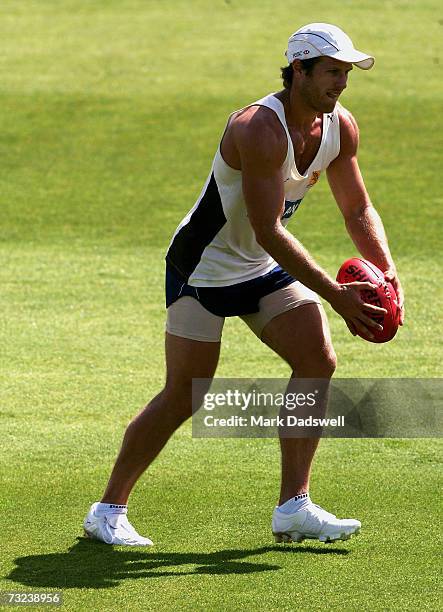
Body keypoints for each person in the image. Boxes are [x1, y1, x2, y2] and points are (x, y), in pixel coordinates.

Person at [83, 23, 404, 546]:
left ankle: (293, 507)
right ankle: (107, 509)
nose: (341, 83)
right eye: (331, 71)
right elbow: (268, 227)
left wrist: (386, 270)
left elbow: (357, 206)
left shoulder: (339, 127)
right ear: (298, 69)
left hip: (259, 267)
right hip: (203, 269)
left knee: (316, 359)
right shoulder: (258, 128)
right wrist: (337, 296)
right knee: (186, 393)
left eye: (346, 73)